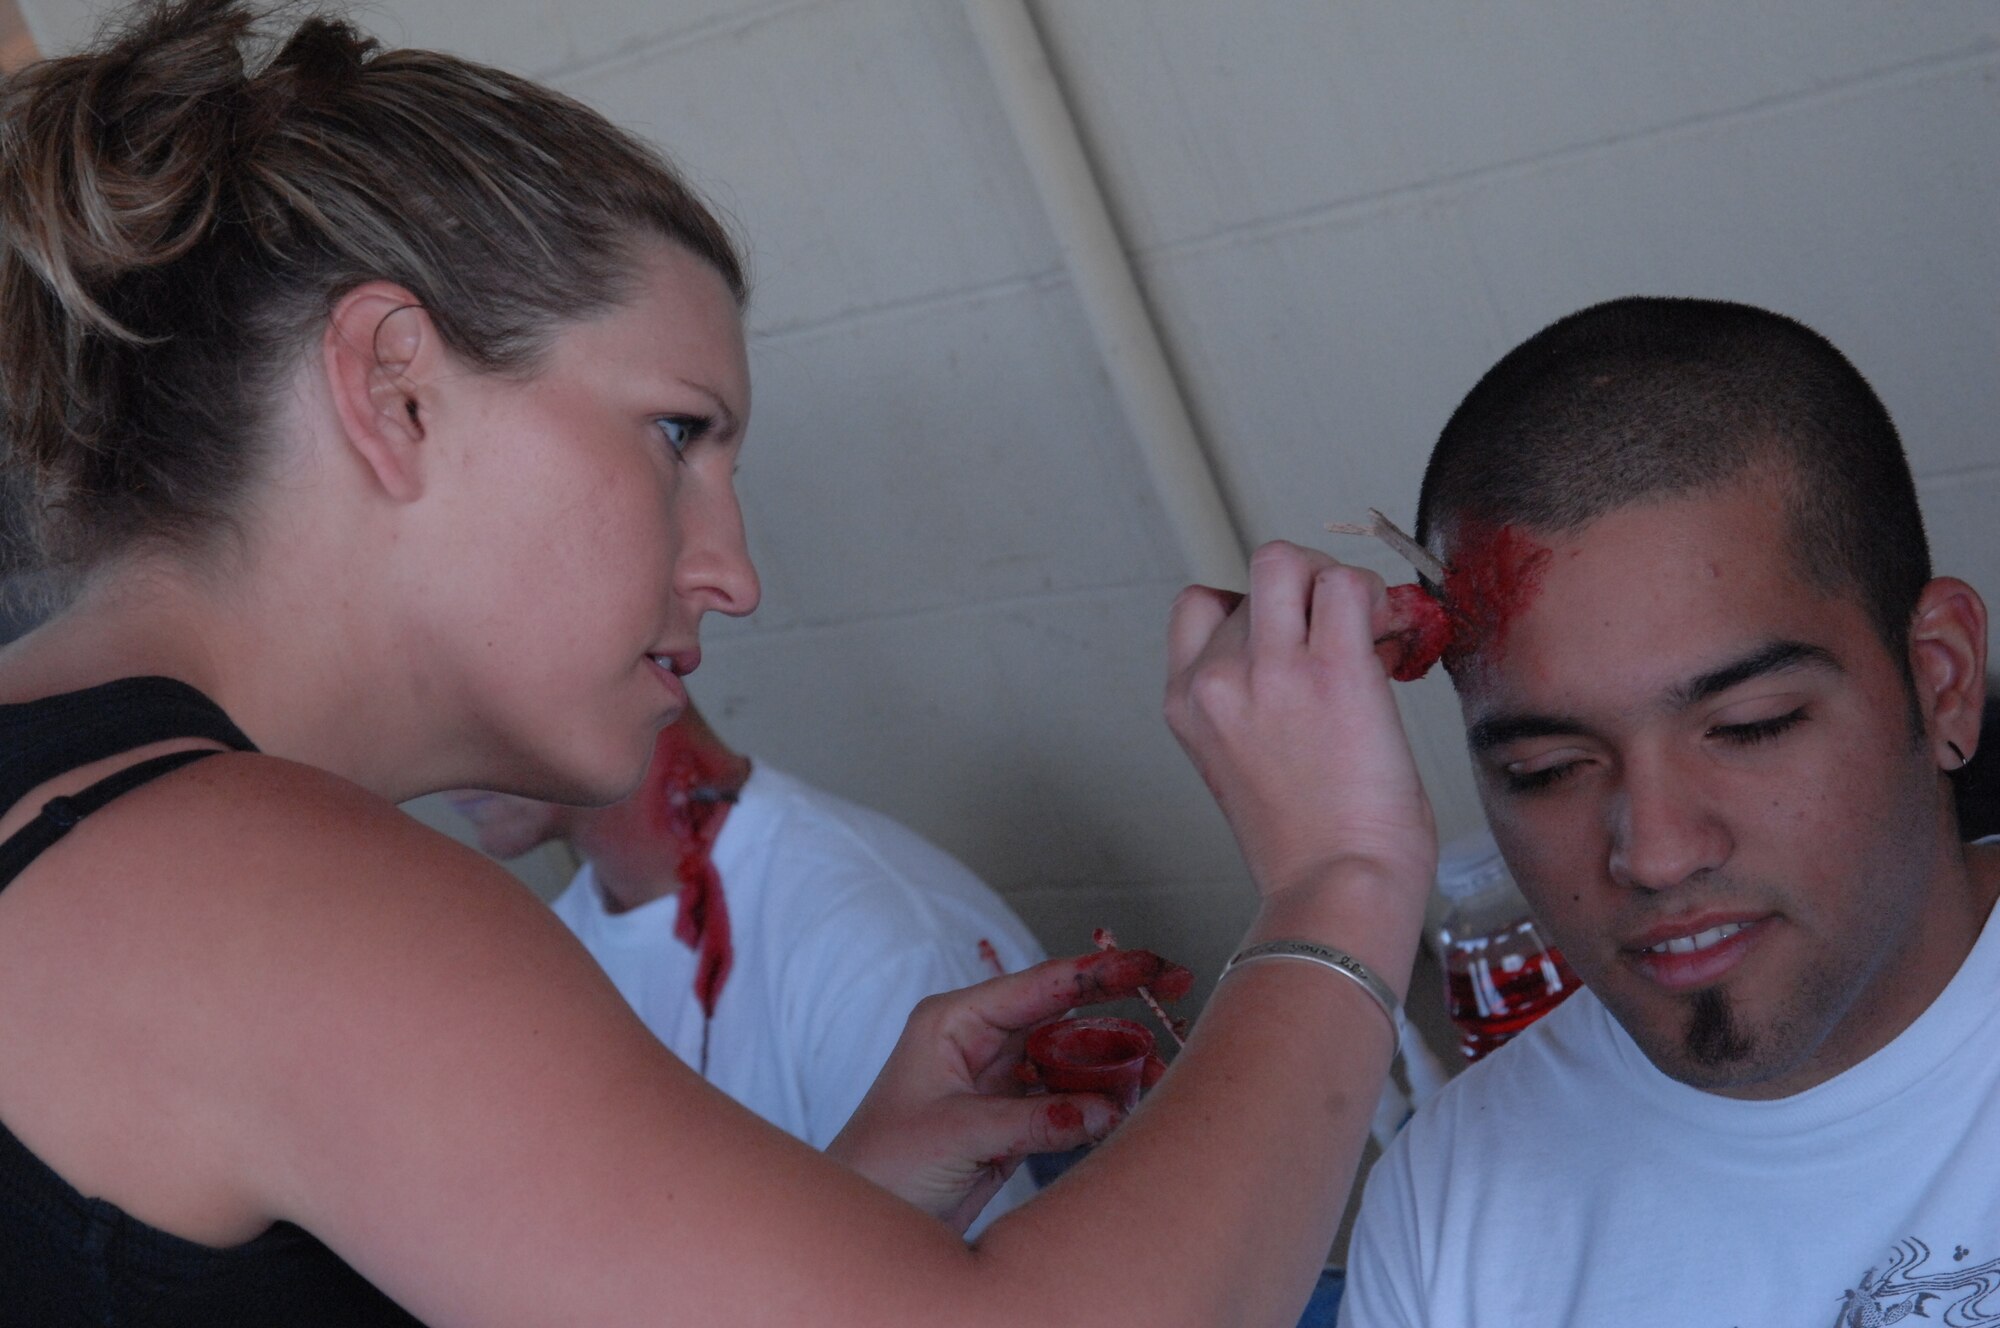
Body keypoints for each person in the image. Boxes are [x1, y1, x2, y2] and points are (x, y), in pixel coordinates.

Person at [0, 2, 1436, 1323]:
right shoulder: (262, 887)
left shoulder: (105, 833)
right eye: (678, 435)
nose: (733, 573)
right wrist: (1343, 882)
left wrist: (818, 1223)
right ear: (398, 390)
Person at [1337, 297, 1997, 1326]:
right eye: (1547, 766)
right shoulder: (1447, 1206)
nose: (1651, 850)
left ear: (1939, 679)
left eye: (1749, 726)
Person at [448, 699, 1046, 1226]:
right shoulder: (550, 949)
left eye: (466, 696)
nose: (443, 761)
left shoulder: (874, 942)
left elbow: (949, 1285)